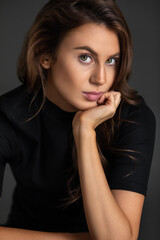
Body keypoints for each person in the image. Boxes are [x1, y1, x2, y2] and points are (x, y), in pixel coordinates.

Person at [0, 0, 156, 239]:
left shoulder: (133, 118)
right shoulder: (7, 115)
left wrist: (84, 130)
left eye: (111, 60)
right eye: (85, 57)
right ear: (45, 55)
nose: (101, 79)